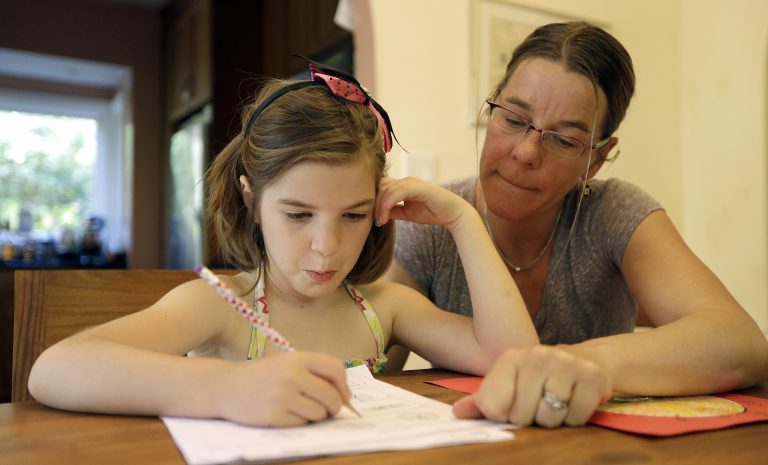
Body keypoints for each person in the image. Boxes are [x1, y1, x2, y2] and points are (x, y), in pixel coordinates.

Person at [27, 61, 537, 427]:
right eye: (297, 215)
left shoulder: (388, 309)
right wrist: (228, 389)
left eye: (354, 215)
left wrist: (463, 219)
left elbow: (513, 358)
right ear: (251, 199)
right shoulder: (221, 306)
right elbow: (55, 369)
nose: (326, 247)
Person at [383, 22, 768, 428]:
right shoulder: (432, 223)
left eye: (564, 140)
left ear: (597, 160)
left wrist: (582, 363)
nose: (527, 152)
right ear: (491, 108)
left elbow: (742, 342)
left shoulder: (613, 213)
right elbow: (366, 362)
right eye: (514, 119)